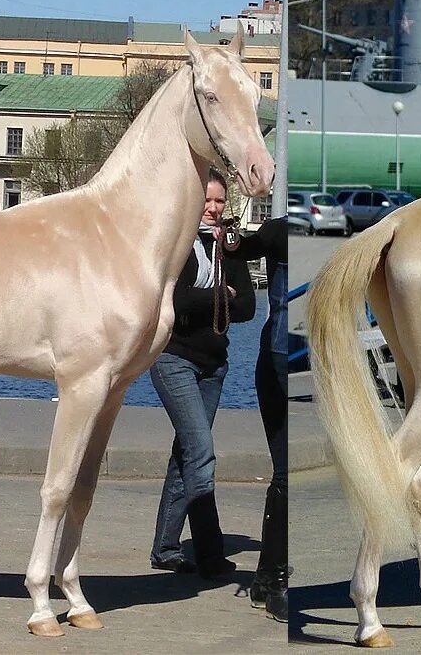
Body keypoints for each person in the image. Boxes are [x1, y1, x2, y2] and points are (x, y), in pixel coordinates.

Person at [149, 171, 256, 579]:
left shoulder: (229, 247)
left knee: (188, 452)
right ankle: (210, 553)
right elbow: (173, 297)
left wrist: (216, 295)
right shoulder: (176, 243)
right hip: (174, 358)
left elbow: (245, 306)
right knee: (201, 451)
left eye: (220, 203)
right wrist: (218, 295)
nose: (213, 209)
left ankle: (165, 547)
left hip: (214, 365)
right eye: (207, 201)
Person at [223, 215, 289, 621]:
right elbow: (239, 248)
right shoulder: (283, 232)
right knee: (288, 473)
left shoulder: (282, 231)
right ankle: (278, 581)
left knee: (284, 473)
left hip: (281, 358)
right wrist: (230, 238)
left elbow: (240, 248)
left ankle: (266, 579)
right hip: (284, 360)